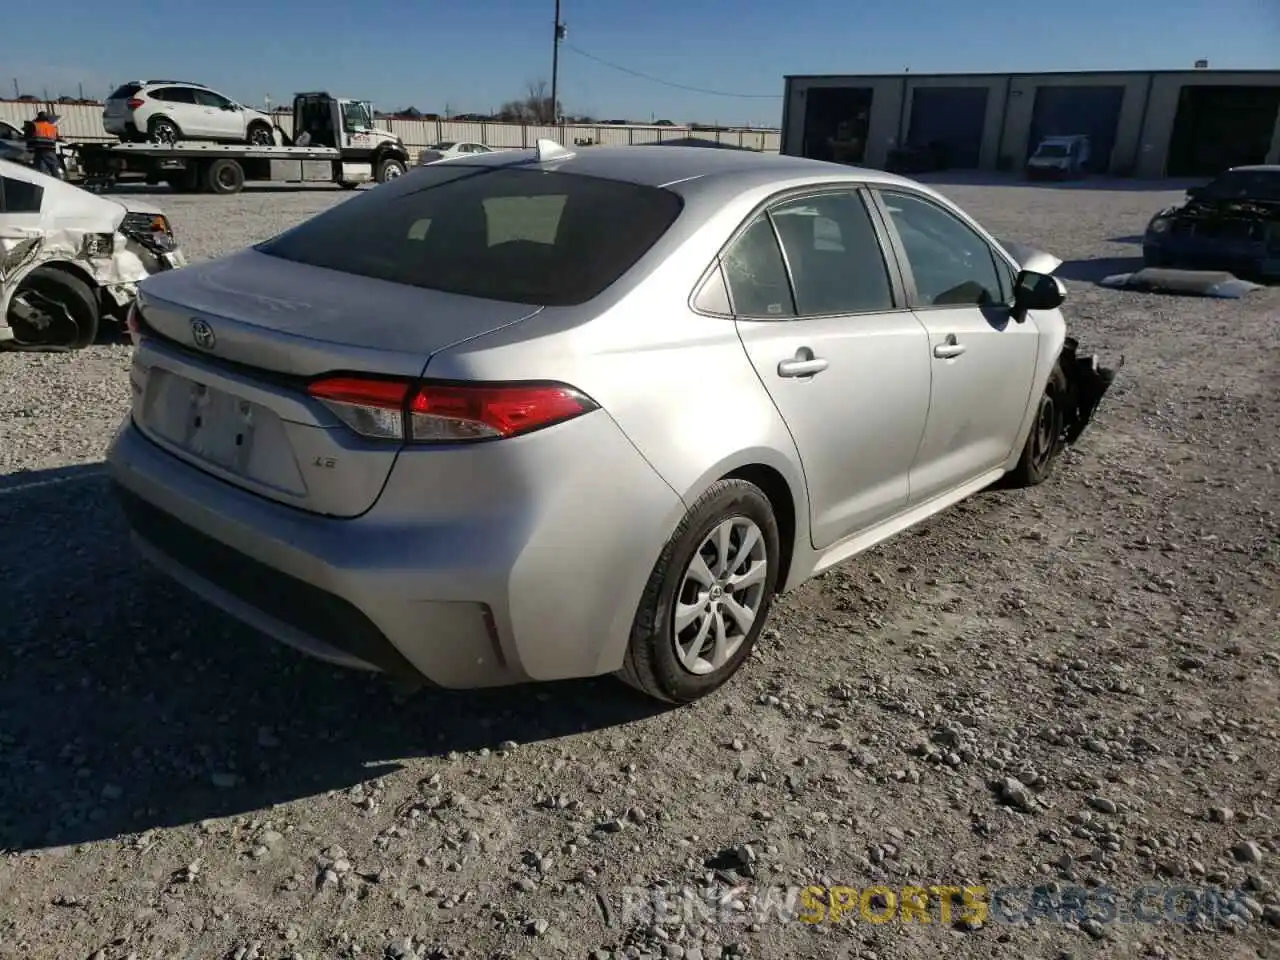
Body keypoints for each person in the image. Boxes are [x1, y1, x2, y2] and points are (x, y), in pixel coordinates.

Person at [23, 111, 62, 178]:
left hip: (39, 150)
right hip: (51, 150)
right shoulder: (52, 127)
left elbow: (28, 137)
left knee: (40, 169)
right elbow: (56, 138)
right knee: (54, 168)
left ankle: (42, 182)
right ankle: (59, 183)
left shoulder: (34, 125)